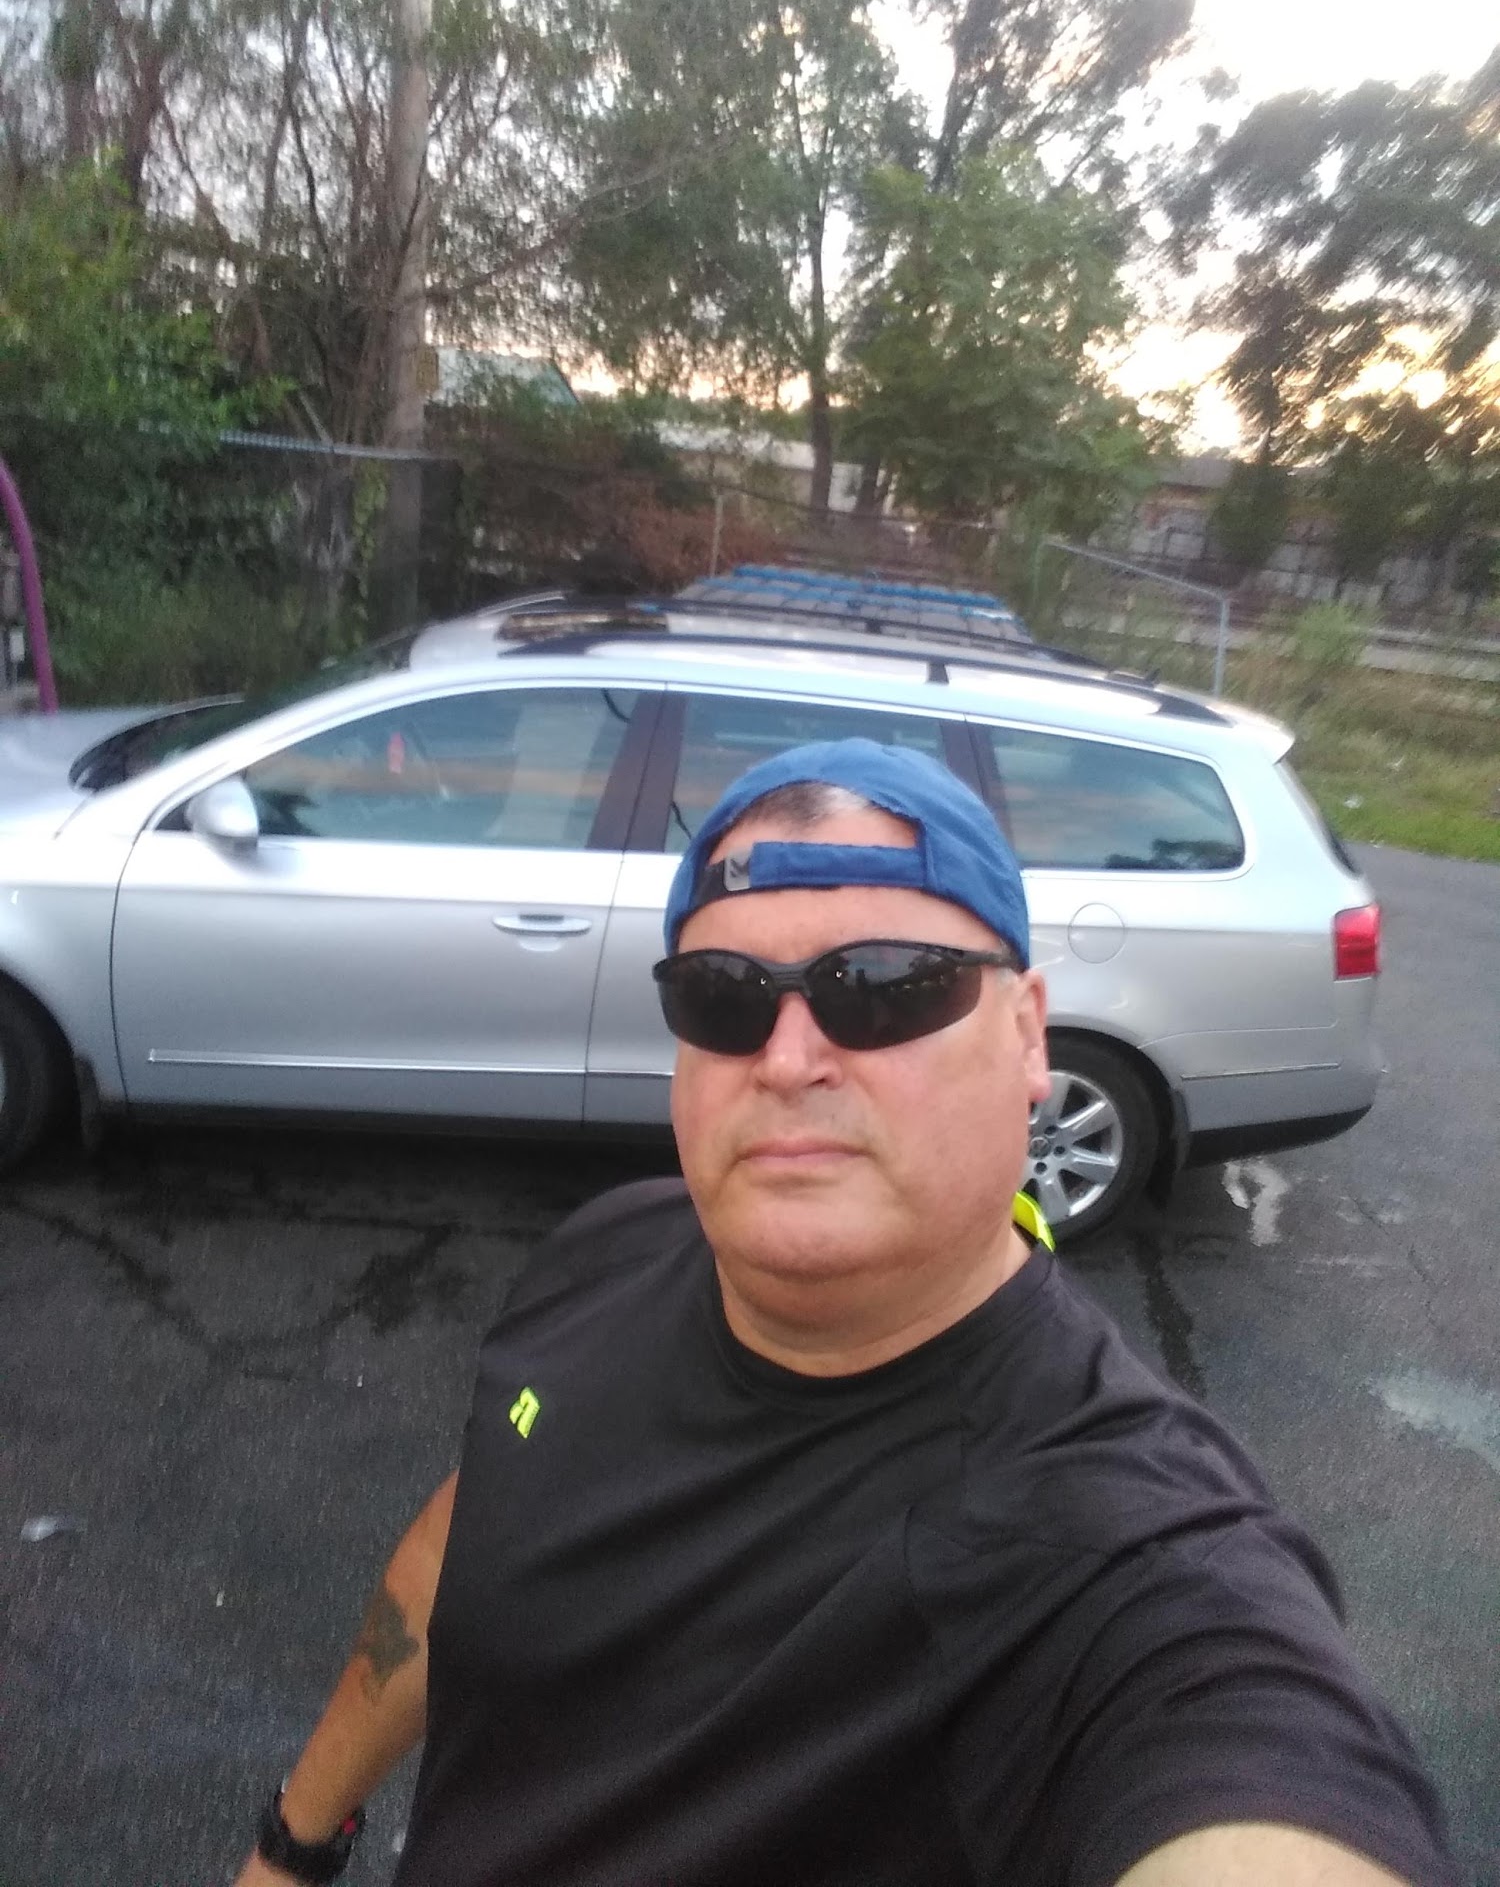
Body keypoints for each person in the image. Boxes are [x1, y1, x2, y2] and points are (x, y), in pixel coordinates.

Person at [234, 737, 1459, 1887]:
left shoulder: (1116, 1551)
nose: (787, 1057)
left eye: (881, 986)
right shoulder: (606, 1247)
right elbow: (461, 1557)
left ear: (1027, 1032)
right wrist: (295, 1840)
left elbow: (1249, 1772)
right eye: (723, 996)